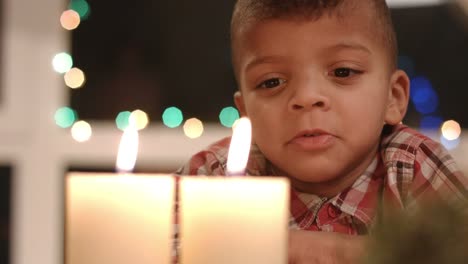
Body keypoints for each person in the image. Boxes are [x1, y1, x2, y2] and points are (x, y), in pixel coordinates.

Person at [176, 0, 468, 263]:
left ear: (393, 97)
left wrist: (336, 251)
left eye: (343, 72)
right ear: (246, 113)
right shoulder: (215, 178)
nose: (306, 97)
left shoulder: (412, 165)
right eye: (272, 82)